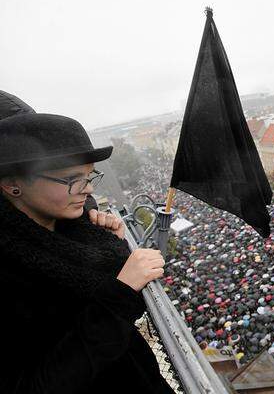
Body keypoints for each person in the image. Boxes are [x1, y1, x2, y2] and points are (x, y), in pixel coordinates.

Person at [0, 113, 175, 393]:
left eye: (90, 175)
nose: (90, 188)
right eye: (73, 178)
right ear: (12, 185)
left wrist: (106, 243)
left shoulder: (80, 227)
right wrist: (122, 292)